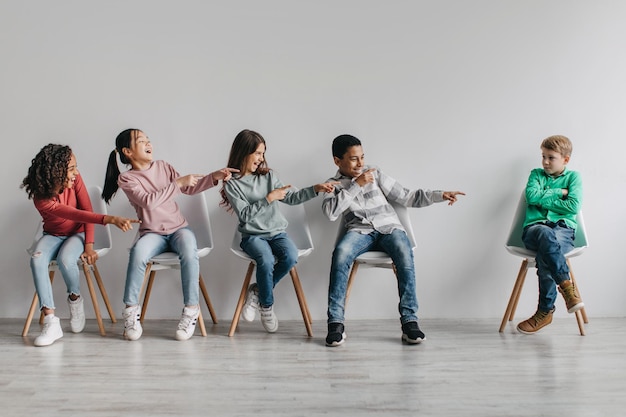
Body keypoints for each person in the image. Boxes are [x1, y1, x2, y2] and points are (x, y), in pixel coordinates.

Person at [322, 134, 465, 347]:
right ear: (337, 160)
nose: (360, 163)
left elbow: (406, 196)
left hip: (389, 227)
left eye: (362, 157)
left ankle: (410, 322)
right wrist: (356, 185)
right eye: (353, 159)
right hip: (359, 232)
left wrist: (440, 195)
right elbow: (331, 213)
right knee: (341, 253)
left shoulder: (374, 173)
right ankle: (335, 324)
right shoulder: (331, 185)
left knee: (404, 251)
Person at [102, 128, 237, 341]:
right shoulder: (126, 179)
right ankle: (130, 313)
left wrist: (214, 176)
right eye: (141, 141)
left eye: (149, 139)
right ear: (127, 151)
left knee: (189, 251)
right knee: (138, 253)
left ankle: (191, 310)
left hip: (178, 229)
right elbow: (148, 201)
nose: (148, 143)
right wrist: (178, 183)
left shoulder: (163, 167)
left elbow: (189, 189)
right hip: (152, 233)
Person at [220, 129, 337, 333]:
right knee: (264, 259)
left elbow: (291, 198)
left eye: (263, 153)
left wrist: (315, 189)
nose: (261, 158)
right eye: (257, 153)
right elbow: (245, 215)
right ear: (244, 152)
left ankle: (257, 292)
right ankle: (267, 306)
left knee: (291, 257)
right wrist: (268, 199)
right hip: (252, 236)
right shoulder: (233, 184)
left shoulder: (269, 176)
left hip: (277, 233)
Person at [21, 144, 139, 347]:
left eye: (76, 167)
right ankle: (51, 321)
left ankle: (74, 299)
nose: (76, 173)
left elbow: (86, 211)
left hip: (78, 234)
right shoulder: (42, 198)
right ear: (55, 171)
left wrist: (89, 246)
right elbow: (72, 213)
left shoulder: (76, 179)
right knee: (37, 259)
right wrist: (110, 219)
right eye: (71, 168)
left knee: (67, 260)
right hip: (53, 235)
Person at [516, 135, 584, 334]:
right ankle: (566, 286)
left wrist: (543, 198)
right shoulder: (536, 174)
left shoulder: (574, 178)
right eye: (543, 156)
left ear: (565, 159)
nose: (545, 162)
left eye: (551, 157)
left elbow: (573, 205)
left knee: (547, 253)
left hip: (563, 229)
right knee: (545, 234)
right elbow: (531, 197)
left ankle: (545, 311)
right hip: (534, 229)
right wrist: (559, 193)